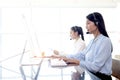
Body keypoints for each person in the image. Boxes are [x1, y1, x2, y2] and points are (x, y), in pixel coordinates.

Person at [56, 12, 113, 80]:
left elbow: (95, 67)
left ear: (97, 23)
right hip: (92, 75)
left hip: (101, 77)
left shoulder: (105, 41)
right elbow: (81, 55)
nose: (86, 26)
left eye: (88, 23)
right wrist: (65, 57)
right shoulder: (92, 41)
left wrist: (77, 61)